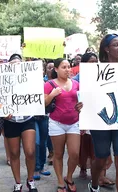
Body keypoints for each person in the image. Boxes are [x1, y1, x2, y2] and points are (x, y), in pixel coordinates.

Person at [80, 34, 118, 192]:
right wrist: (81, 105)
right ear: (107, 49)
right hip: (100, 121)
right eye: (116, 45)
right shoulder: (94, 71)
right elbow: (86, 95)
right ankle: (94, 185)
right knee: (101, 159)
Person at [44, 58, 80, 192]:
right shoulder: (49, 84)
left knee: (74, 153)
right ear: (56, 69)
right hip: (56, 123)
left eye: (68, 67)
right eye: (63, 67)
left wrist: (80, 105)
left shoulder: (76, 83)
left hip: (74, 122)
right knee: (58, 154)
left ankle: (69, 177)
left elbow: (81, 102)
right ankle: (60, 181)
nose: (67, 70)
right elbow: (44, 104)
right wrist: (52, 95)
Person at [4, 54, 38, 192]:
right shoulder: (3, 81)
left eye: (19, 64)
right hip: (10, 120)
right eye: (13, 64)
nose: (16, 66)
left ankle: (30, 180)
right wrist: (2, 112)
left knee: (30, 151)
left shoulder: (31, 80)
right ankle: (17, 183)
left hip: (27, 119)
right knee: (14, 153)